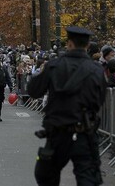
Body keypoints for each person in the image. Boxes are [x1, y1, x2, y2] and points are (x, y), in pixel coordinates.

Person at [27, 26, 106, 186]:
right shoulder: (96, 70)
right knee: (87, 178)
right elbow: (100, 99)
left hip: (57, 133)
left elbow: (34, 91)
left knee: (47, 175)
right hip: (84, 132)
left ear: (69, 43)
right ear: (87, 45)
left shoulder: (54, 66)